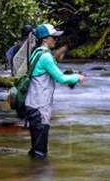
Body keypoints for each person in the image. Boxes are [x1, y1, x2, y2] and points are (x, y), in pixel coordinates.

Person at [24, 23, 85, 158]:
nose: (56, 40)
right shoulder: (45, 56)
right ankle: (38, 175)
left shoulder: (36, 53)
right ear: (45, 39)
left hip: (33, 104)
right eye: (54, 37)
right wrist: (77, 77)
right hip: (39, 106)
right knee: (40, 151)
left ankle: (33, 173)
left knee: (37, 148)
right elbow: (61, 78)